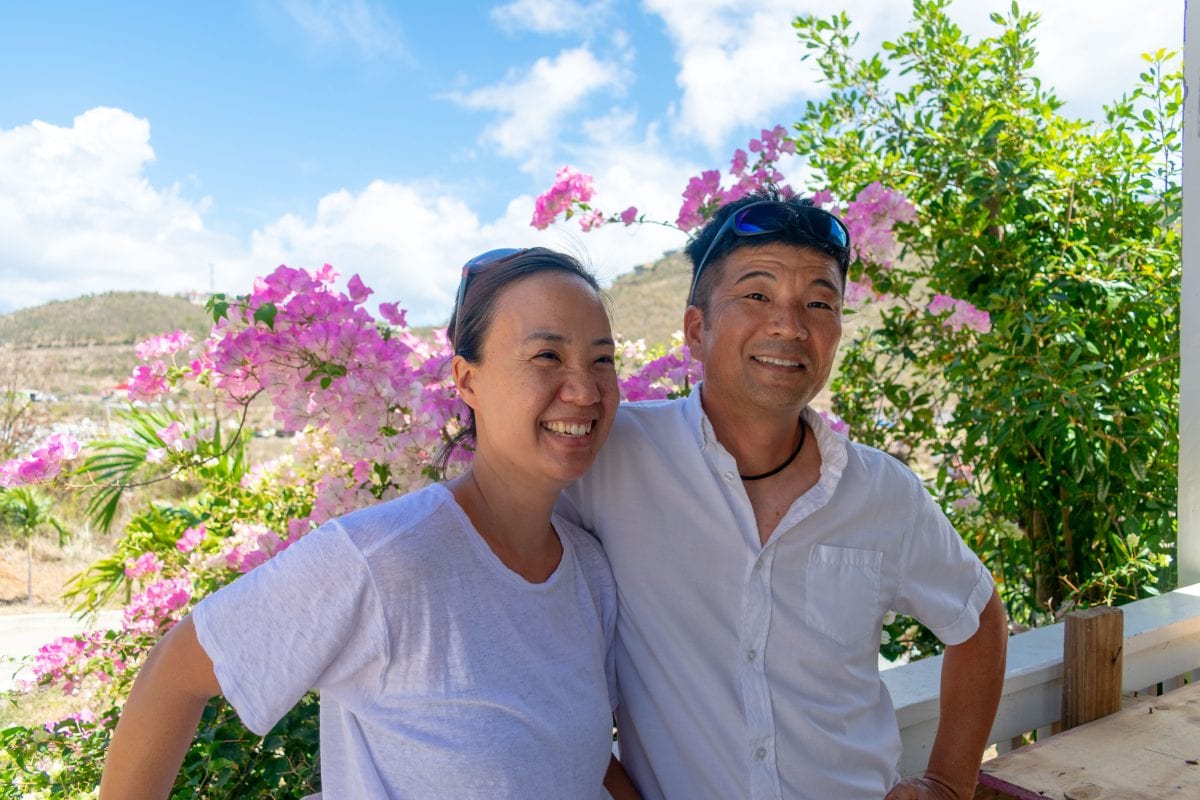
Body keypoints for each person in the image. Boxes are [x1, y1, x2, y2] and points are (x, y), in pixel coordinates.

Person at [100, 248, 640, 799]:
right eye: (547, 354)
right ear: (467, 380)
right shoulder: (385, 558)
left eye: (602, 360)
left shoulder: (588, 572)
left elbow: (580, 761)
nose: (585, 389)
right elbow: (175, 673)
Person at [560, 191, 1008, 800]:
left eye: (819, 303)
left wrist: (949, 786)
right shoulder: (611, 461)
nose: (789, 326)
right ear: (697, 328)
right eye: (757, 295)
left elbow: (979, 618)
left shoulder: (882, 491)